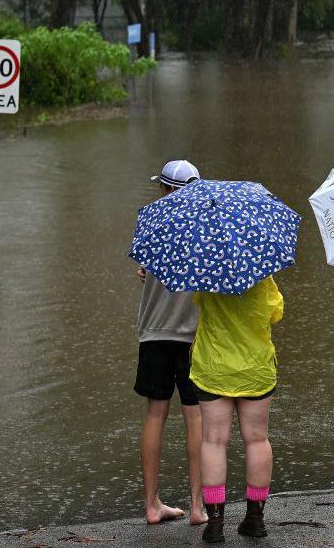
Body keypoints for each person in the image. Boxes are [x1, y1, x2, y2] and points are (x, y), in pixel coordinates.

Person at [134, 159, 206, 526]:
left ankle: (151, 504)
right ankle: (197, 506)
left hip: (153, 333)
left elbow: (145, 269)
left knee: (155, 415)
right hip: (193, 336)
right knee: (195, 418)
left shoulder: (149, 220)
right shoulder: (206, 227)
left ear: (164, 190)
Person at [194, 276, 284, 544]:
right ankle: (255, 519)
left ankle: (215, 523)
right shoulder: (262, 275)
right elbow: (276, 312)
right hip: (255, 369)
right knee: (257, 439)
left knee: (213, 441)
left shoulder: (206, 273)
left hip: (213, 368)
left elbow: (198, 304)